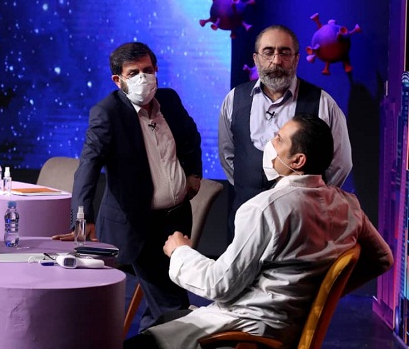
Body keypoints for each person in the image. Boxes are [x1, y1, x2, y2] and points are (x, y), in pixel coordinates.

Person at [124, 114, 393, 349]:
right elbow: (382, 258)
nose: (271, 142)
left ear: (298, 160)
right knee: (166, 321)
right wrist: (321, 300)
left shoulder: (267, 209)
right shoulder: (349, 206)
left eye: (279, 139)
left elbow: (219, 285)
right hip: (286, 330)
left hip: (248, 335)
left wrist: (180, 251)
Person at [52, 41, 203, 331]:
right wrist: (82, 219)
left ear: (156, 70)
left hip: (177, 220)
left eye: (147, 70)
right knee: (173, 304)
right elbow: (88, 167)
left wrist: (194, 174)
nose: (143, 78)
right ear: (117, 80)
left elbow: (190, 137)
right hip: (138, 226)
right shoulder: (107, 113)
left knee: (159, 307)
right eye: (133, 73)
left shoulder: (169, 100)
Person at [218, 24, 352, 243]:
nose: (276, 61)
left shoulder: (322, 103)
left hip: (301, 230)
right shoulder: (234, 100)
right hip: (244, 228)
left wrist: (312, 197)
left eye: (285, 53)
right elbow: (228, 156)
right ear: (256, 58)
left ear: (297, 59)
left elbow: (341, 164)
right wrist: (248, 183)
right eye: (268, 52)